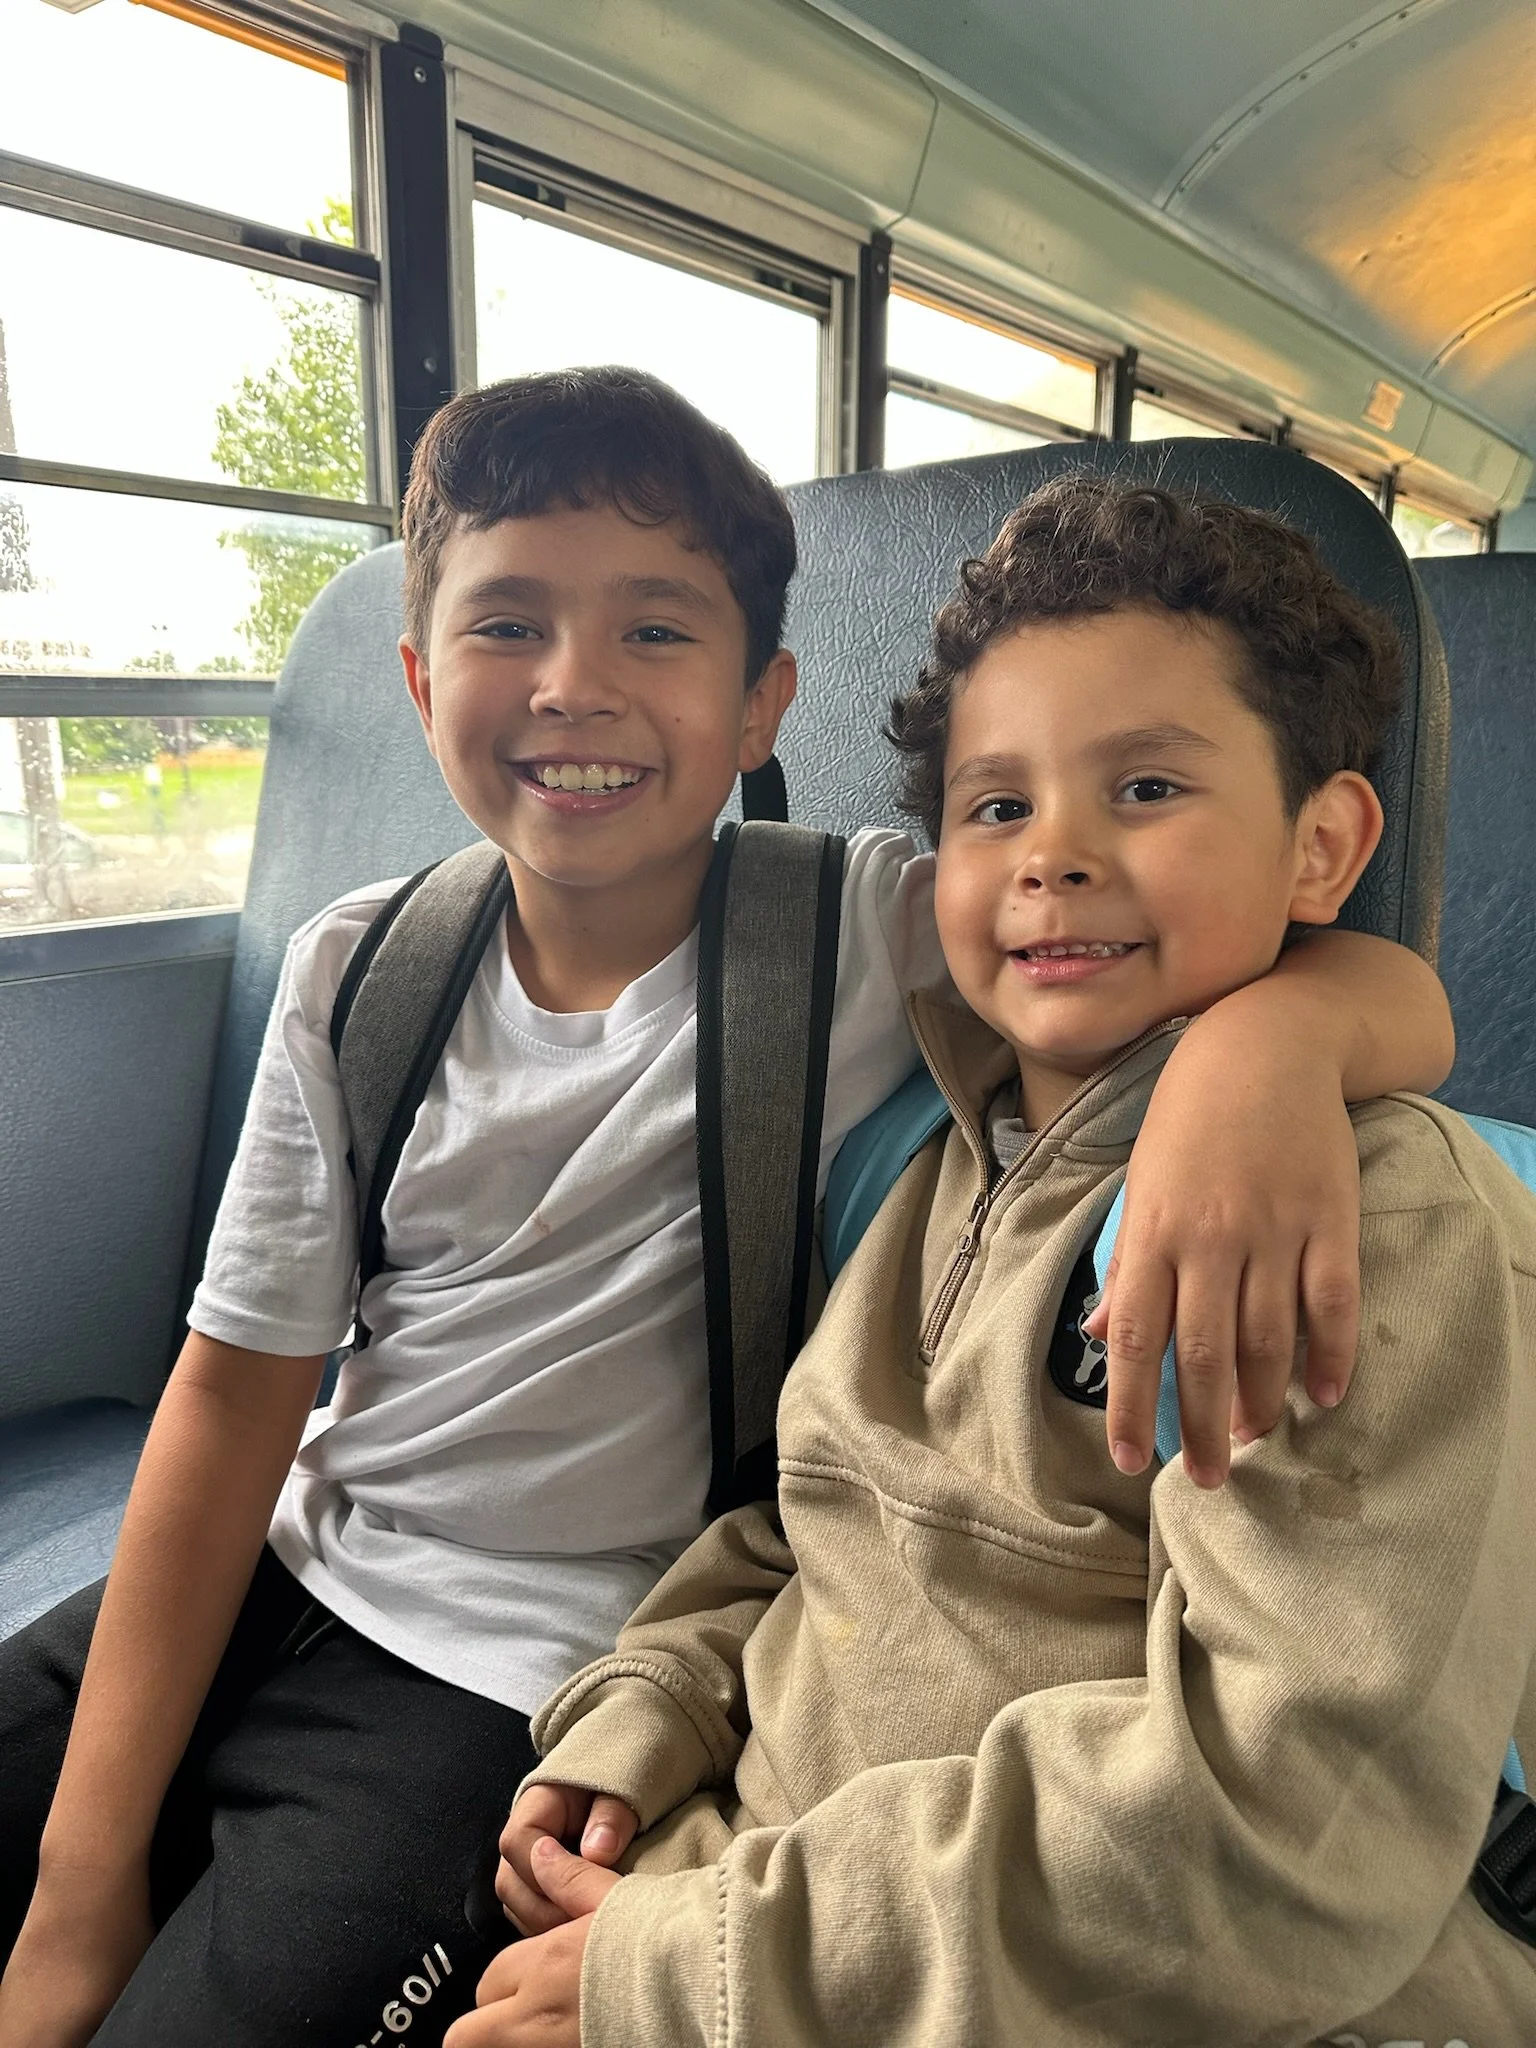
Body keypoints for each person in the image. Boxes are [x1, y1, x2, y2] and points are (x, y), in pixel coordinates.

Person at [0, 382, 1454, 2048]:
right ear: (419, 681)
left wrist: (1276, 1048)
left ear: (762, 701)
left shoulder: (870, 928)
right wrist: (78, 1880)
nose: (575, 685)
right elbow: (236, 1394)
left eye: (655, 629)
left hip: (515, 1682)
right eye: (509, 623)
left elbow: (1314, 963)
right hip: (284, 1569)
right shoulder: (361, 968)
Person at [483, 474, 1536, 2047]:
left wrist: (705, 1973)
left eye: (1149, 790)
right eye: (996, 806)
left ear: (1323, 847)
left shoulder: (1364, 1221)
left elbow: (1281, 1830)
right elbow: (815, 1516)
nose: (1053, 856)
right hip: (780, 1902)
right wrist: (654, 1708)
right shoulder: (913, 1156)